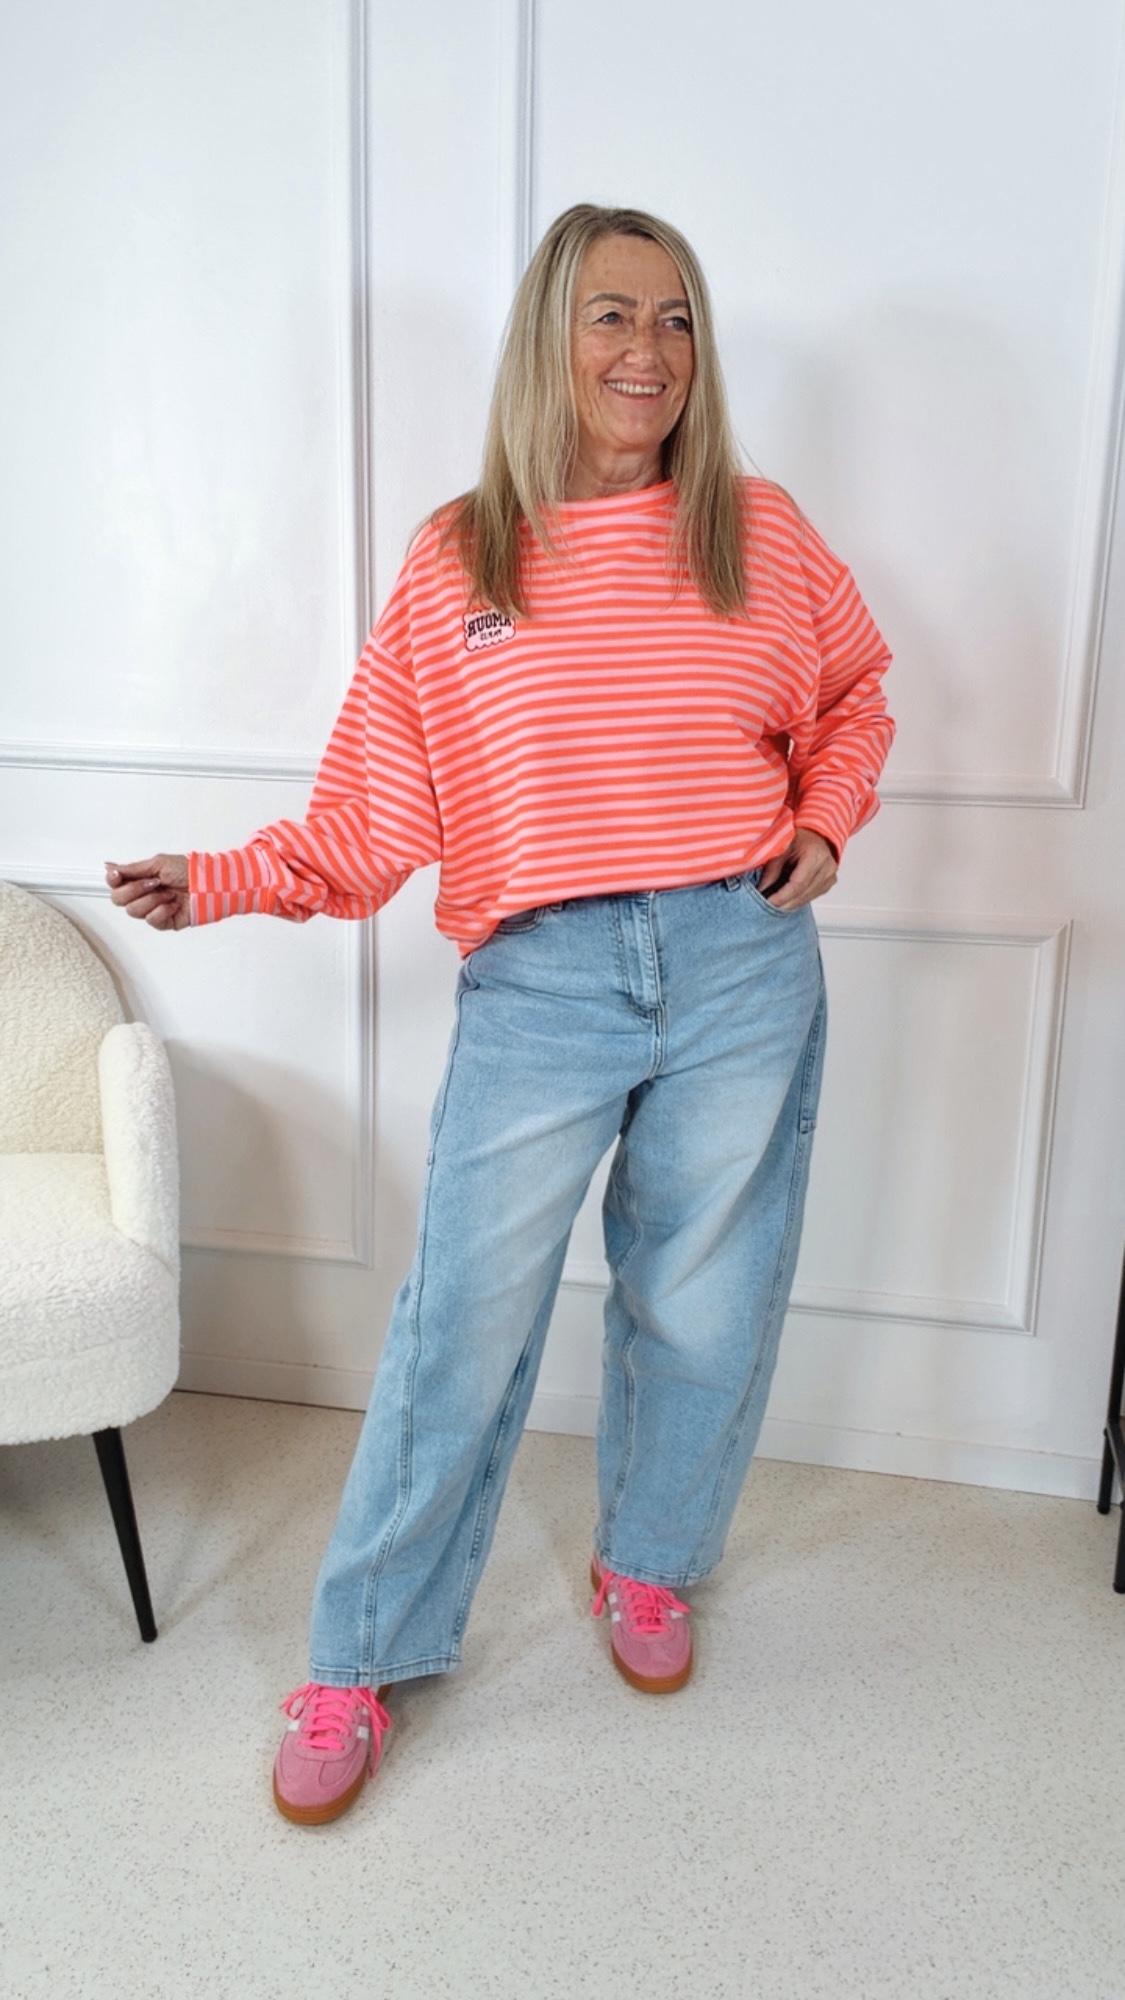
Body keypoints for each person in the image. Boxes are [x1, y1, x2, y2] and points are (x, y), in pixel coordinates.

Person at [107, 203, 894, 1826]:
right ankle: (357, 1656)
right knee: (458, 1320)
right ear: (549, 339)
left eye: (675, 319)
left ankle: (650, 1562)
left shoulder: (758, 529)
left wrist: (828, 817)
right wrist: (226, 877)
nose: (647, 351)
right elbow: (371, 814)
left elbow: (855, 695)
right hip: (542, 979)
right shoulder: (458, 556)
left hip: (742, 957)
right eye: (611, 314)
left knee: (704, 1297)